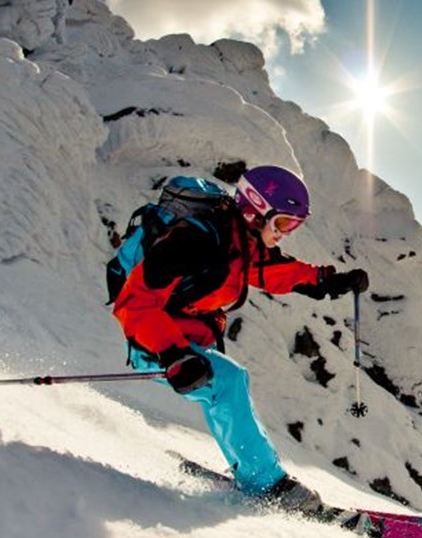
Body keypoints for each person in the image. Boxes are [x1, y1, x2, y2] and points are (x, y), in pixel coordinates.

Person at [111, 165, 368, 513]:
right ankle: (266, 485)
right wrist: (174, 355)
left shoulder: (239, 240)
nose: (285, 234)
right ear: (254, 210)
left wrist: (329, 281)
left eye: (293, 226)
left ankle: (253, 469)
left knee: (225, 386)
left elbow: (276, 271)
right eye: (282, 224)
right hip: (154, 339)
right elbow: (135, 303)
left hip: (186, 338)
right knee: (229, 381)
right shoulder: (193, 240)